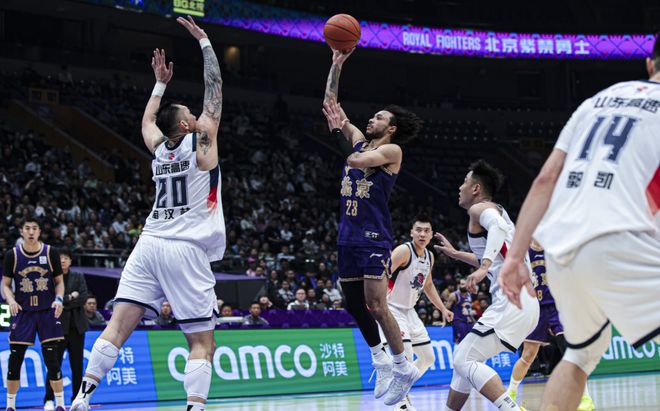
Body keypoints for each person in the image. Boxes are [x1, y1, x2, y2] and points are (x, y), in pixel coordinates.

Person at [71, 16, 225, 411]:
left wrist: (159, 84)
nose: (197, 115)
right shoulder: (201, 143)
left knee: (117, 326)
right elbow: (215, 90)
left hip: (149, 244)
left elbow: (146, 121)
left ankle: (82, 397)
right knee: (202, 341)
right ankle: (194, 407)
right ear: (187, 124)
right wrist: (205, 43)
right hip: (184, 246)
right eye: (191, 113)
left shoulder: (159, 150)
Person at [499, 34, 660, 411]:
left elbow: (545, 179)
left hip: (561, 248)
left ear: (649, 64)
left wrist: (515, 257)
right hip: (621, 239)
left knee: (579, 356)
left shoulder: (595, 102)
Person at [321, 47, 424, 406]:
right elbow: (331, 105)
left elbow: (355, 159)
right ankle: (380, 359)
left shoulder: (392, 151)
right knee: (353, 304)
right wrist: (336, 64)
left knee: (377, 305)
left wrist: (338, 132)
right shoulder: (361, 140)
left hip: (373, 238)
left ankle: (403, 366)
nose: (371, 119)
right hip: (347, 236)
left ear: (390, 128)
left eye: (379, 117)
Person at [434, 160, 539, 411]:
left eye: (464, 182)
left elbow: (496, 230)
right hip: (525, 302)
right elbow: (493, 254)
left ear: (476, 188)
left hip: (512, 301)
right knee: (465, 361)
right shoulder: (500, 212)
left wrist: (484, 267)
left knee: (463, 359)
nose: (460, 187)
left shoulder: (480, 209)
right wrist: (457, 254)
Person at [506, 240, 594, 410]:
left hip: (557, 307)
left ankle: (585, 399)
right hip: (535, 308)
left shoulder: (555, 249)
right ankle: (510, 395)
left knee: (571, 352)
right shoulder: (523, 253)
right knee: (528, 356)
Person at [379, 216, 454, 410]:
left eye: (426, 231)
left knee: (428, 358)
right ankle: (402, 404)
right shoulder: (403, 251)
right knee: (407, 357)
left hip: (410, 311)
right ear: (411, 232)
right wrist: (376, 303)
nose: (422, 234)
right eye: (418, 230)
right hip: (392, 308)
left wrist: (442, 308)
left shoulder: (430, 256)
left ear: (431, 234)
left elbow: (428, 285)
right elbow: (382, 274)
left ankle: (399, 388)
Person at [2, 218, 66, 411]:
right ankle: (10, 406)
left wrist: (59, 299)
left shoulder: (50, 252)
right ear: (21, 231)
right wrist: (11, 301)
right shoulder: (12, 255)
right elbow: (5, 285)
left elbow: (59, 282)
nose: (31, 232)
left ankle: (60, 404)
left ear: (39, 232)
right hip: (23, 312)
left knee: (52, 361)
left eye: (34, 228)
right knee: (15, 361)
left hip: (46, 312)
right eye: (27, 228)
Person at [44, 249, 90, 410]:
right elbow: (50, 300)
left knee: (77, 366)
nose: (63, 260)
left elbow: (83, 297)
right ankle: (49, 399)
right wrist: (70, 297)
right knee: (54, 364)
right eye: (60, 258)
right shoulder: (51, 279)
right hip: (57, 328)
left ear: (70, 261)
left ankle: (78, 399)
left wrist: (62, 302)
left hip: (77, 328)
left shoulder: (78, 276)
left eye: (66, 258)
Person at [445, 278, 475, 344]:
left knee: (470, 343)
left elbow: (469, 309)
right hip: (459, 322)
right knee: (460, 343)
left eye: (465, 284)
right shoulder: (454, 295)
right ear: (458, 285)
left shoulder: (469, 295)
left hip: (469, 323)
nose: (464, 286)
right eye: (462, 284)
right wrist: (444, 322)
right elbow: (446, 309)